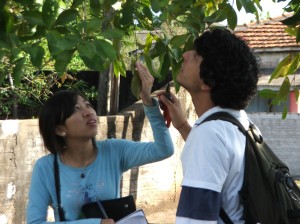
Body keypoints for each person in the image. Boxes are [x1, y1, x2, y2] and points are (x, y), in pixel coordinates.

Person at [26, 62, 174, 224]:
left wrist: (148, 102)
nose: (88, 112)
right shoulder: (45, 168)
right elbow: (35, 222)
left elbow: (163, 149)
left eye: (87, 105)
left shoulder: (114, 151)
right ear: (60, 129)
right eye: (76, 109)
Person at [159, 28, 260, 223]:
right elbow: (219, 158)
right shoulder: (241, 124)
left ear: (208, 81)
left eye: (196, 55)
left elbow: (195, 220)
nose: (185, 55)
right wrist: (181, 124)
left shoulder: (210, 134)